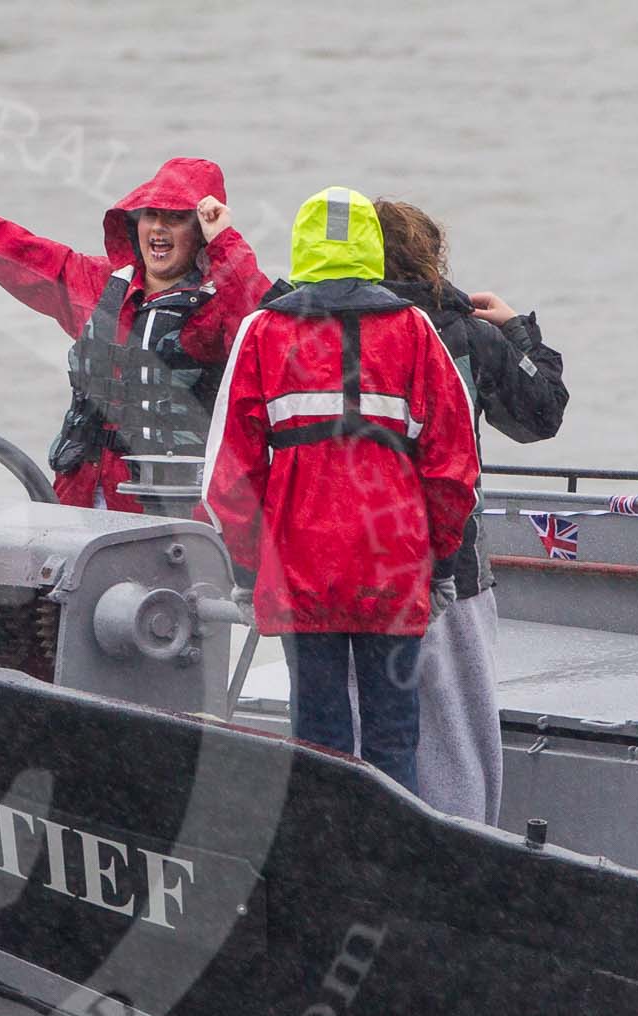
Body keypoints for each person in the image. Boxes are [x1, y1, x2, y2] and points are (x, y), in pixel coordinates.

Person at [203, 188, 480, 792]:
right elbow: (453, 466)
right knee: (392, 740)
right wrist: (441, 564)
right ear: (370, 249)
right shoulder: (416, 331)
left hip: (300, 567)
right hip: (394, 564)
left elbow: (230, 478)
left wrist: (250, 572)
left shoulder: (261, 333)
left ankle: (322, 863)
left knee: (317, 742)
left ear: (302, 246)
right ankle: (391, 862)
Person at [0, 158, 269, 513]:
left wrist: (226, 242)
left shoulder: (221, 304)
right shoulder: (97, 284)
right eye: (151, 215)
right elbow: (7, 245)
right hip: (80, 495)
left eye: (176, 218)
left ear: (202, 232)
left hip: (177, 511)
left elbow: (264, 335)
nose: (159, 228)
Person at [372, 198, 569, 823]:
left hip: (354, 561)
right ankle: (460, 846)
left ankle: (365, 841)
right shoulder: (464, 335)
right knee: (457, 732)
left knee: (358, 721)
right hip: (453, 560)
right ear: (433, 258)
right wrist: (517, 331)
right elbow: (541, 413)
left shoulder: (316, 329)